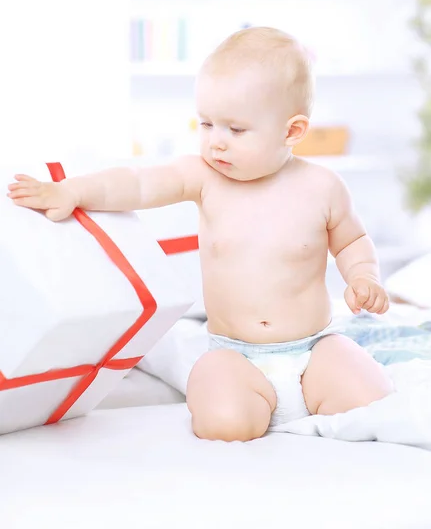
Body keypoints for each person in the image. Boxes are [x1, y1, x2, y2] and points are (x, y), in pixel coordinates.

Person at [7, 27, 393, 442]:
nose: (216, 143)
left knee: (374, 404)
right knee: (224, 424)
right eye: (207, 124)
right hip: (237, 354)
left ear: (292, 131)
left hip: (315, 348)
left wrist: (363, 276)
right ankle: (242, 401)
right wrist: (74, 190)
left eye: (236, 130)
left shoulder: (323, 187)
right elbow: (137, 183)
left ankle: (323, 396)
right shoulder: (204, 178)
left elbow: (352, 241)